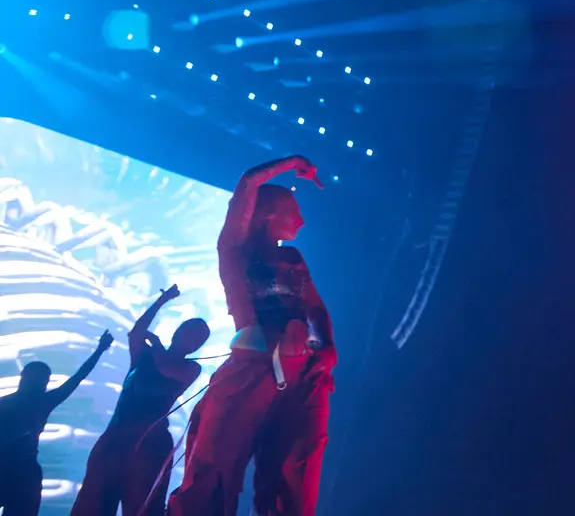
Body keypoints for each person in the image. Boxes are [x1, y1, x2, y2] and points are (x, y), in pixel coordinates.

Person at [168, 155, 336, 516]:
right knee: (215, 465)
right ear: (267, 213)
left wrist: (326, 351)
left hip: (305, 373)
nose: (301, 222)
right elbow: (247, 183)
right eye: (292, 211)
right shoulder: (236, 251)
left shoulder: (293, 258)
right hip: (252, 365)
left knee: (294, 471)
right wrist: (293, 162)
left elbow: (316, 308)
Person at [71, 284, 210, 516]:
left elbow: (165, 367)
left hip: (149, 445)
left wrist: (155, 345)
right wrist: (161, 301)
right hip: (115, 438)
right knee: (93, 501)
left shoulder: (190, 368)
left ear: (198, 345)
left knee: (142, 506)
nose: (188, 336)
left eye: (196, 336)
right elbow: (136, 333)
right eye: (187, 329)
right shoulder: (145, 356)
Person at [0, 330, 113, 516]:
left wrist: (100, 350)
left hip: (22, 473)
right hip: (23, 473)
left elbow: (77, 379)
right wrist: (100, 350)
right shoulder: (42, 402)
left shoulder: (25, 403)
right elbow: (76, 379)